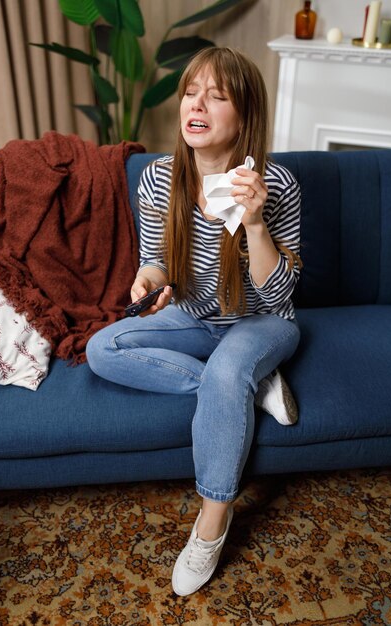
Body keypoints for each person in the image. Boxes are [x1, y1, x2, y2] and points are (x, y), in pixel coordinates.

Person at [86, 46, 302, 596]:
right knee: (102, 349)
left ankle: (212, 522)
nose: (196, 105)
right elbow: (157, 260)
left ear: (244, 114)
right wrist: (150, 282)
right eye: (190, 92)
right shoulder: (160, 178)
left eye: (217, 95)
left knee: (232, 367)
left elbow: (277, 292)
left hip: (262, 323)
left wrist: (254, 223)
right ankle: (247, 390)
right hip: (194, 317)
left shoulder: (276, 185)